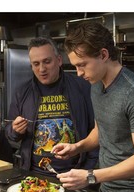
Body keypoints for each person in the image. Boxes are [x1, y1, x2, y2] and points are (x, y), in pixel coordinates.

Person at [51, 21, 134, 192]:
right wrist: (77, 147)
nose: (78, 73)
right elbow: (101, 130)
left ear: (103, 55)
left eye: (82, 65)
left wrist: (90, 176)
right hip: (107, 189)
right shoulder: (96, 84)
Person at [5, 37, 98, 176]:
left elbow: (97, 131)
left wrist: (87, 170)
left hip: (76, 172)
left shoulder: (83, 87)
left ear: (59, 60)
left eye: (47, 62)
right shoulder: (22, 92)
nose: (42, 69)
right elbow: (10, 134)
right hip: (34, 173)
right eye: (36, 64)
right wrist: (15, 130)